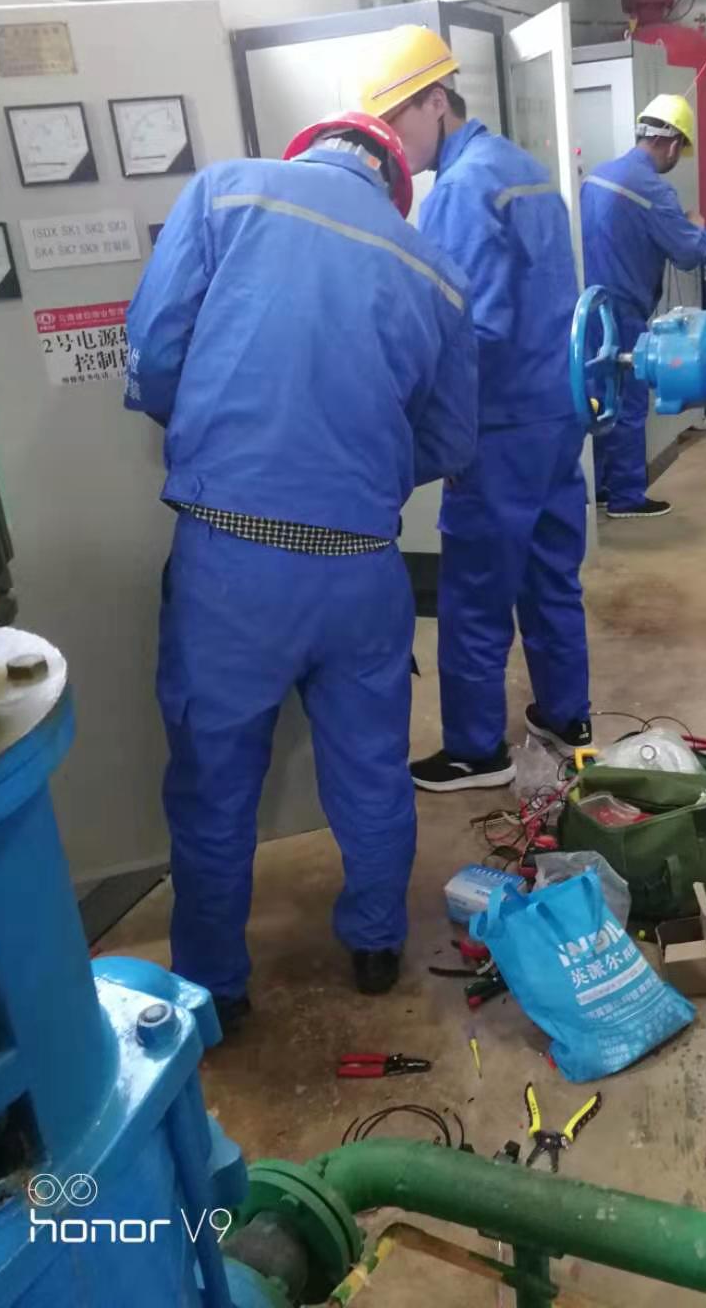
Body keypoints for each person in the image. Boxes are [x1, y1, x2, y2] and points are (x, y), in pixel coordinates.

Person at [124, 112, 477, 1022]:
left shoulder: (226, 193)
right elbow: (449, 440)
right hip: (361, 566)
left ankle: (214, 987)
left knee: (213, 783)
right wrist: (356, 473)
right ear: (395, 185)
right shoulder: (434, 272)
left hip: (230, 558)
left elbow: (155, 354)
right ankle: (375, 945)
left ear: (309, 149)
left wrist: (218, 433)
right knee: (371, 769)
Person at [359, 25, 592, 792]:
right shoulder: (524, 169)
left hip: (498, 425)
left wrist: (441, 433)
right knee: (551, 574)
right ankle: (567, 717)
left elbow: (469, 331)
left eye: (397, 120)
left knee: (475, 593)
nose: (391, 144)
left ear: (437, 101)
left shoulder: (459, 190)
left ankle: (473, 750)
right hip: (557, 412)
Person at [581, 94, 706, 518]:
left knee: (596, 398)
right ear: (671, 143)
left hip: (588, 308)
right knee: (629, 401)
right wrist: (699, 228)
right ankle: (627, 497)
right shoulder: (653, 189)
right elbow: (689, 253)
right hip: (623, 310)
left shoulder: (596, 177)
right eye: (680, 150)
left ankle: (600, 487)